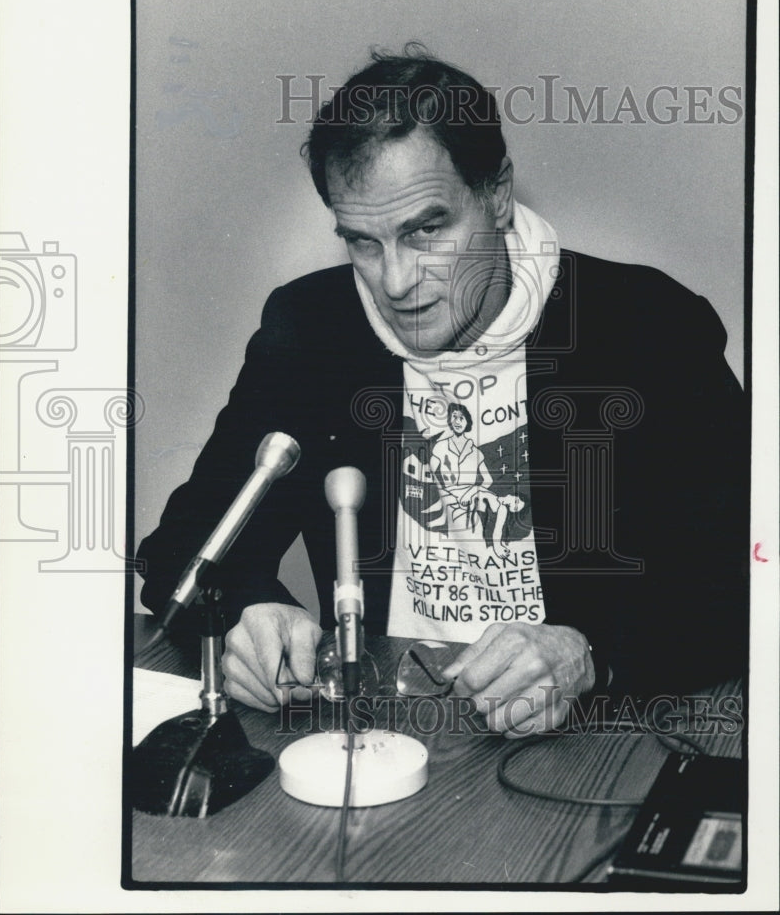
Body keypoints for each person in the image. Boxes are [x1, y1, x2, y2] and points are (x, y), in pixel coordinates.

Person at [138, 45, 748, 735]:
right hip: (378, 729)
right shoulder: (312, 329)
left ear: (496, 194)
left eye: (425, 230)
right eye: (362, 242)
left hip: (589, 736)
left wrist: (588, 654)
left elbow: (744, 574)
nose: (396, 283)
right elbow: (181, 549)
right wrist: (247, 609)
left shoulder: (643, 324)